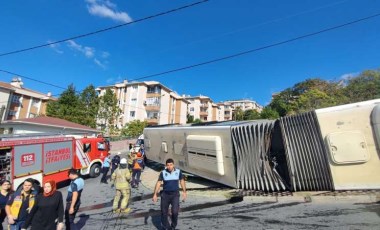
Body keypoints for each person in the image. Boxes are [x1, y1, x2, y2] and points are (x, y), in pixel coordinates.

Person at [152, 158, 187, 230]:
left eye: (171, 165)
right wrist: (155, 194)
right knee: (164, 213)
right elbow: (158, 183)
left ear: (173, 165)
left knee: (175, 212)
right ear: (166, 166)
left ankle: (173, 226)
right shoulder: (163, 173)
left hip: (175, 195)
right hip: (165, 195)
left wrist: (184, 192)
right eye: (168, 165)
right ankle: (168, 227)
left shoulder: (178, 172)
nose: (169, 167)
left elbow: (182, 181)